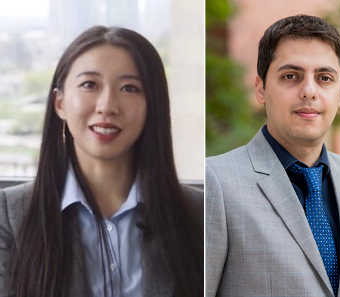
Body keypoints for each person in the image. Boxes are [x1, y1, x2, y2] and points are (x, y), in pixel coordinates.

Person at [0, 26, 203, 296]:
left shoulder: (201, 214)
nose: (107, 105)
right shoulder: (10, 214)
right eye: (89, 85)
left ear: (152, 105)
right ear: (59, 102)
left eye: (129, 88)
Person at [205, 15, 340, 297]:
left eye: (324, 78)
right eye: (290, 76)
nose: (309, 91)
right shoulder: (217, 183)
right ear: (260, 88)